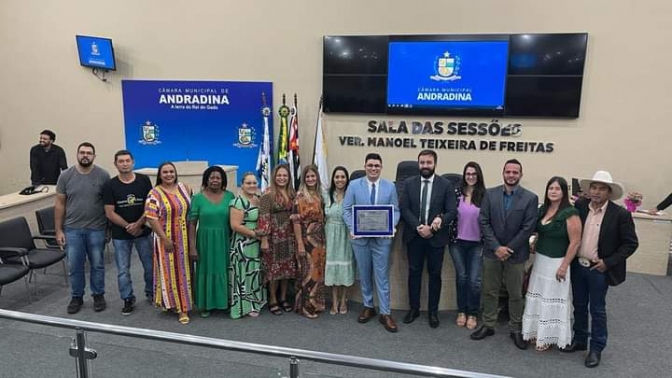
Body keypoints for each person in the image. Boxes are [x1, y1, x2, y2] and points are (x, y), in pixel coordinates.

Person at [561, 171, 638, 368]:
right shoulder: (579, 207)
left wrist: (609, 262)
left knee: (597, 310)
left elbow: (631, 244)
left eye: (601, 188)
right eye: (593, 187)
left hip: (599, 269)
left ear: (609, 192)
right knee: (578, 304)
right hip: (578, 266)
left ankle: (596, 348)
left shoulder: (620, 214)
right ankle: (579, 340)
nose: (596, 192)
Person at [471, 159, 538, 350]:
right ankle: (489, 324)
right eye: (508, 172)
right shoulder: (490, 194)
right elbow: (483, 221)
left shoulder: (530, 198)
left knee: (515, 293)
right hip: (492, 252)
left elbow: (528, 227)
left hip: (516, 255)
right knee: (489, 290)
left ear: (521, 175)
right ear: (503, 173)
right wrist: (496, 247)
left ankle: (515, 328)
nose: (511, 175)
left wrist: (508, 248)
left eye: (515, 172)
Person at [522, 177, 582, 351]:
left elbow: (575, 242)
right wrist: (536, 241)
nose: (553, 191)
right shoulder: (543, 209)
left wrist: (564, 266)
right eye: (551, 188)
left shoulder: (570, 213)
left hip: (557, 263)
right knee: (538, 296)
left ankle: (548, 336)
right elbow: (542, 230)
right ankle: (536, 332)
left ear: (564, 192)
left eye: (557, 188)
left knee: (550, 298)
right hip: (540, 260)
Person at [343, 153, 400, 333]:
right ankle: (368, 306)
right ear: (365, 166)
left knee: (381, 276)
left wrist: (391, 225)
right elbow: (346, 210)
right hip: (360, 239)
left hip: (382, 240)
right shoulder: (353, 185)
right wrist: (353, 228)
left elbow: (396, 211)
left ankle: (385, 312)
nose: (373, 168)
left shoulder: (390, 186)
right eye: (370, 165)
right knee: (365, 273)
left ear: (381, 167)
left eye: (376, 165)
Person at [399, 150, 456, 328]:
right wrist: (419, 227)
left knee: (435, 275)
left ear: (435, 164)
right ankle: (414, 308)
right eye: (422, 162)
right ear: (418, 164)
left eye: (428, 163)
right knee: (414, 273)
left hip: (436, 238)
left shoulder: (445, 185)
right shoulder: (408, 183)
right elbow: (404, 208)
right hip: (414, 237)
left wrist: (434, 226)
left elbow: (451, 211)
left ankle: (433, 311)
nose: (425, 166)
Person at [55, 142, 110, 314]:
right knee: (75, 266)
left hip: (97, 228)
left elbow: (108, 204)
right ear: (77, 154)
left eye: (89, 153)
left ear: (94, 156)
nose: (85, 155)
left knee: (98, 265)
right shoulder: (65, 176)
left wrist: (108, 229)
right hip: (72, 229)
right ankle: (77, 296)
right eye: (82, 152)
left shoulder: (103, 175)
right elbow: (59, 204)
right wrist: (58, 230)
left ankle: (98, 295)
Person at [103, 150, 154, 316]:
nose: (124, 164)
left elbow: (150, 206)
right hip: (120, 235)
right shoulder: (110, 185)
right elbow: (110, 213)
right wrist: (129, 227)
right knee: (123, 270)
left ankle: (151, 292)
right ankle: (127, 298)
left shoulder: (144, 180)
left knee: (149, 266)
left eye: (127, 160)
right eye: (121, 161)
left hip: (143, 231)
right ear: (115, 164)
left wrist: (138, 224)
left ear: (133, 162)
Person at [145, 162, 194, 324]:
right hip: (166, 239)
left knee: (185, 271)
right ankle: (182, 309)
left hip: (184, 238)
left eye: (171, 171)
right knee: (171, 272)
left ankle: (176, 302)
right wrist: (164, 238)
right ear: (160, 174)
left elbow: (190, 210)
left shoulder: (184, 188)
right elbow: (151, 217)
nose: (168, 174)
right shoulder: (155, 193)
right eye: (165, 172)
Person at [188, 166, 235, 318]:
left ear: (223, 180)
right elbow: (192, 224)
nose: (215, 180)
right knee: (206, 270)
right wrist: (192, 247)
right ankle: (206, 304)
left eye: (218, 177)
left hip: (224, 239)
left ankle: (224, 302)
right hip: (205, 241)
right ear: (206, 180)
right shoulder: (198, 198)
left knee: (223, 269)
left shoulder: (230, 196)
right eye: (212, 177)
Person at [448, 162, 486, 330]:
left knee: (475, 281)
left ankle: (473, 313)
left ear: (479, 176)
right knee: (462, 278)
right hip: (457, 242)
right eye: (468, 173)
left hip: (477, 244)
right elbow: (448, 212)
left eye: (474, 174)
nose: (471, 176)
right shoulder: (456, 193)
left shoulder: (485, 195)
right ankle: (461, 311)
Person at [256, 164, 297, 315]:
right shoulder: (268, 195)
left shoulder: (292, 193)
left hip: (289, 236)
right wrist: (264, 239)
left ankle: (283, 298)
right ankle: (272, 299)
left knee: (287, 268)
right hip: (273, 237)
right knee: (274, 270)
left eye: (285, 175)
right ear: (274, 177)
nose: (282, 178)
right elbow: (264, 218)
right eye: (279, 175)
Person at [229, 172, 266, 319]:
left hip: (255, 244)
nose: (252, 185)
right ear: (242, 185)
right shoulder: (238, 202)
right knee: (243, 275)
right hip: (242, 244)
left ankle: (254, 303)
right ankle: (243, 307)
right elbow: (235, 225)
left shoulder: (257, 199)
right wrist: (254, 234)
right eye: (248, 183)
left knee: (254, 272)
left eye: (254, 183)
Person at [292, 165, 327, 318]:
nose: (311, 179)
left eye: (313, 176)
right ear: (304, 179)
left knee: (317, 273)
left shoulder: (319, 195)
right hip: (306, 240)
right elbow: (296, 222)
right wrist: (300, 243)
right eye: (308, 177)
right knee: (307, 273)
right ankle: (305, 308)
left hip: (319, 239)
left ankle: (316, 304)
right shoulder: (300, 196)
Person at [323, 166, 355, 315]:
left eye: (342, 177)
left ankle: (344, 300)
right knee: (332, 268)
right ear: (333, 179)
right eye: (337, 177)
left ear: (347, 179)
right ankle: (334, 301)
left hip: (346, 234)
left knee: (345, 267)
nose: (340, 180)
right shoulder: (326, 195)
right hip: (330, 234)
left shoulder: (352, 195)